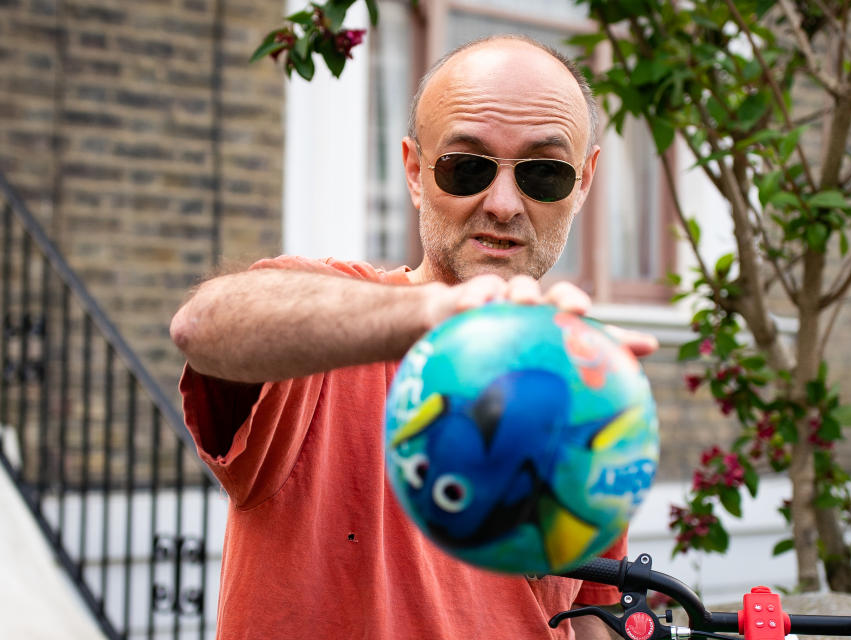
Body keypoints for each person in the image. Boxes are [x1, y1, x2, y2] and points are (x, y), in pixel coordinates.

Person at [170, 34, 658, 640]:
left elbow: (587, 617)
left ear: (583, 183)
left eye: (544, 173)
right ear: (413, 172)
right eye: (466, 167)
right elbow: (205, 324)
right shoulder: (334, 329)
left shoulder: (583, 379)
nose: (504, 204)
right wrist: (440, 315)